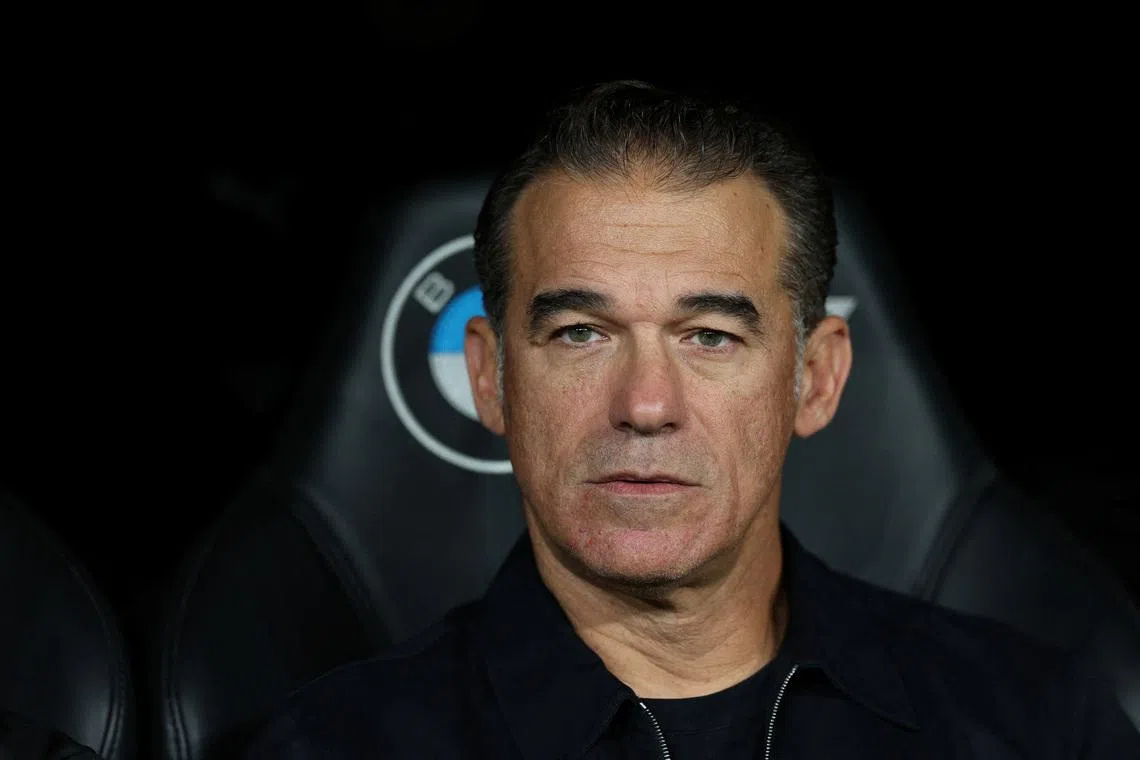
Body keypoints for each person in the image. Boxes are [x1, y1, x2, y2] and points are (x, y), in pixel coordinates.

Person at [244, 79, 1139, 758]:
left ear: (816, 379)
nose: (644, 406)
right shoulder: (332, 744)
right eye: (581, 332)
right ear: (492, 378)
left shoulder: (1039, 720)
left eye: (709, 336)